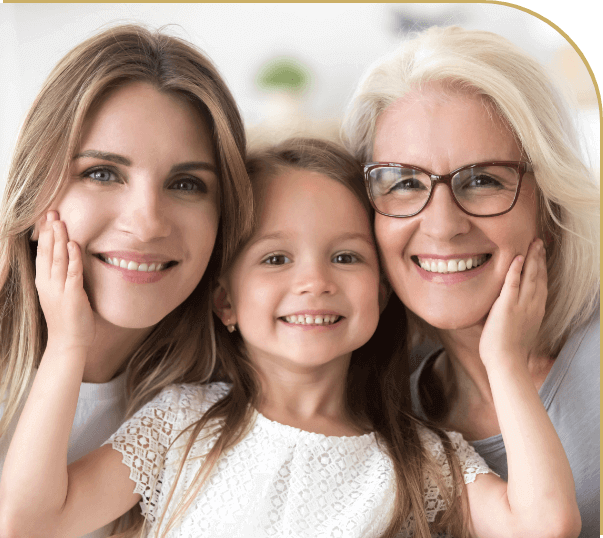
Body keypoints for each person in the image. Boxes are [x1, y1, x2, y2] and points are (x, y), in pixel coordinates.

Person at [0, 137, 581, 538]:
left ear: (380, 292)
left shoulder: (420, 458)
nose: (314, 282)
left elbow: (544, 525)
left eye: (346, 257)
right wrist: (66, 344)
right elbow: (28, 519)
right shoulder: (179, 426)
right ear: (225, 300)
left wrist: (502, 359)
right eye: (276, 258)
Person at [342, 25, 599, 538]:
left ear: (547, 202)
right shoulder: (389, 423)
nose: (442, 225)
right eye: (403, 182)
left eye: (482, 180)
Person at [0, 24, 253, 538]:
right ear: (37, 185)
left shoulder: (217, 408)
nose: (147, 223)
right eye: (102, 173)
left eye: (186, 184)